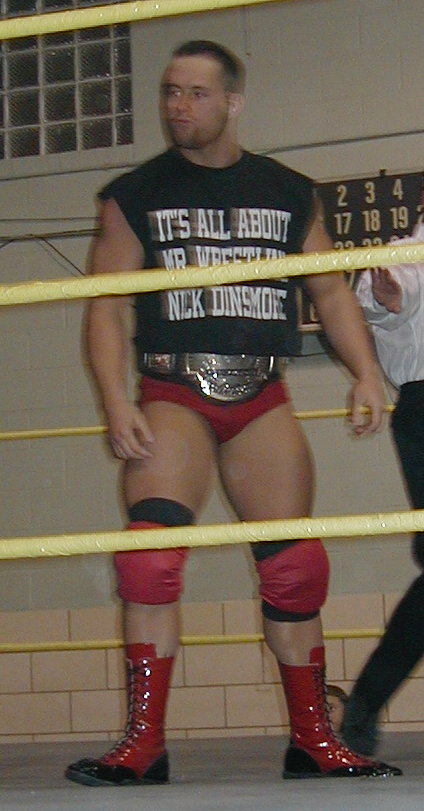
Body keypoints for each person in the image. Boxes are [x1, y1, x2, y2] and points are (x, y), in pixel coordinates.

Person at [65, 40, 400, 786]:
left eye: (196, 93)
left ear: (233, 102)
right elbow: (105, 304)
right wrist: (115, 399)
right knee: (149, 560)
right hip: (172, 391)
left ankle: (313, 740)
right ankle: (143, 744)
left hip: (261, 393)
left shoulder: (287, 191)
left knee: (296, 568)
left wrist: (366, 372)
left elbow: (329, 290)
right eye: (170, 91)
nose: (178, 106)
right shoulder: (135, 193)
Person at [343, 223, 424, 756]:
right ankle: (366, 701)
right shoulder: (403, 255)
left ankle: (366, 702)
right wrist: (386, 296)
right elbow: (385, 297)